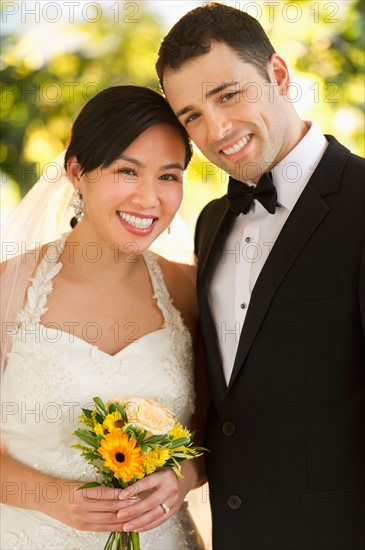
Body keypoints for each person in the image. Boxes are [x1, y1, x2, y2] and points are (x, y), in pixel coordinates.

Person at [155, 3, 365, 549]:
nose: (216, 130)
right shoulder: (210, 222)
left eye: (227, 95)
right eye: (191, 115)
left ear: (277, 74)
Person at [0, 85, 207, 549]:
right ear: (77, 171)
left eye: (169, 177)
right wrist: (52, 497)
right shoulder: (7, 291)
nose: (149, 199)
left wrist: (185, 475)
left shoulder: (189, 292)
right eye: (126, 171)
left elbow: (216, 432)